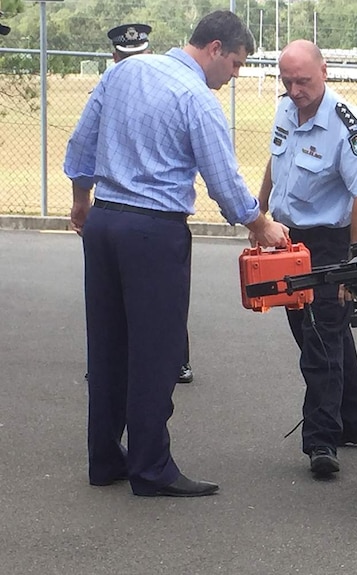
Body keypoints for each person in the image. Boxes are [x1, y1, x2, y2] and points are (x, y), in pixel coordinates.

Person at [64, 10, 290, 497]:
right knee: (157, 351)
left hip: (104, 221)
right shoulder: (195, 97)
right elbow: (224, 182)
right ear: (213, 48)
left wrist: (81, 204)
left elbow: (82, 144)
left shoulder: (125, 70)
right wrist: (260, 224)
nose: (235, 75)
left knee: (106, 345)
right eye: (235, 64)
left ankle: (104, 458)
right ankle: (151, 468)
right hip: (153, 231)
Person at [254, 39, 357, 476]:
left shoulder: (346, 124)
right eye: (287, 81)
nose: (294, 90)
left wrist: (354, 266)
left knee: (321, 340)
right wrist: (260, 212)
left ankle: (321, 442)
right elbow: (276, 161)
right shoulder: (286, 109)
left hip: (328, 243)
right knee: (321, 333)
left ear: (324, 72)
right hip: (287, 239)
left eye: (303, 81)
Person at [106, 22, 196, 385]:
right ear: (115, 56)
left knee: (163, 302)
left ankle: (176, 358)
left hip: (148, 209)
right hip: (129, 206)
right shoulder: (110, 85)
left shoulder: (165, 86)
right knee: (120, 297)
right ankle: (116, 358)